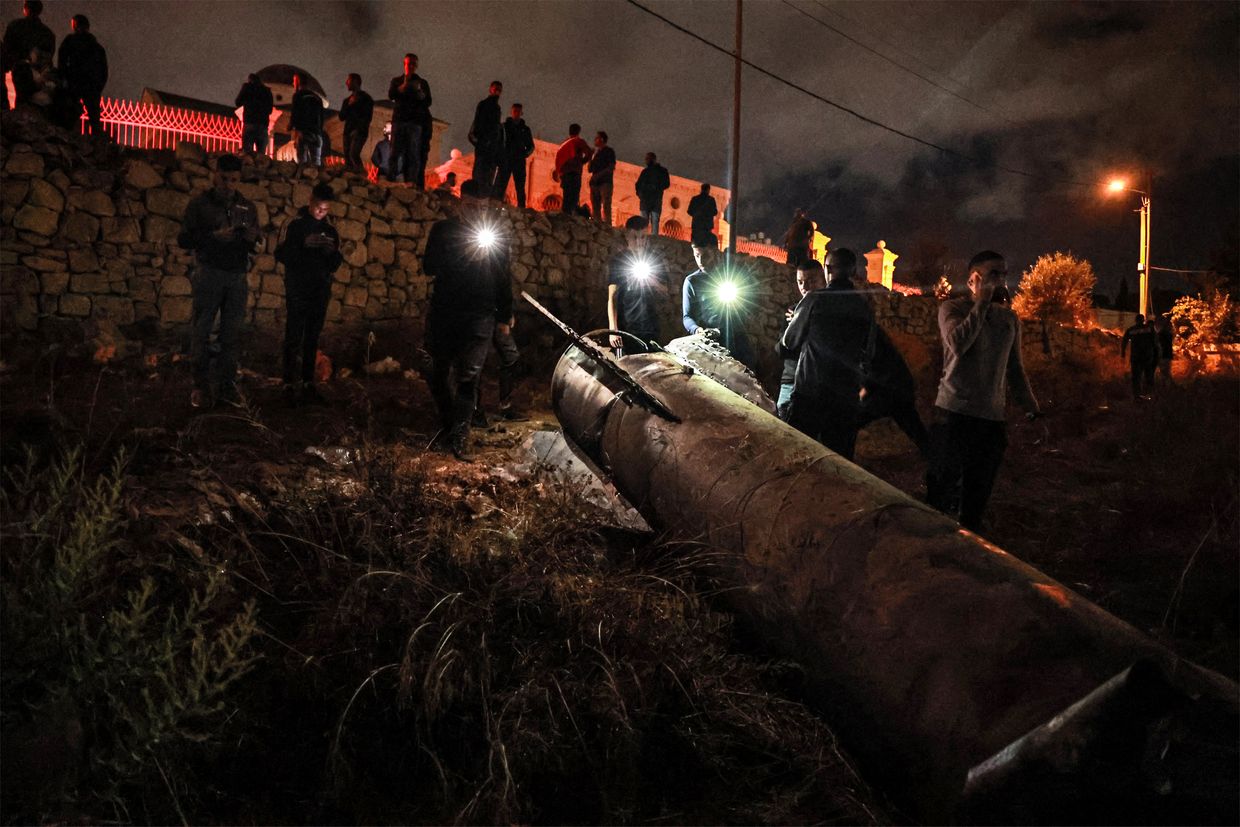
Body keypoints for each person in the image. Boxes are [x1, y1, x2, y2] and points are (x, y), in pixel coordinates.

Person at [926, 250, 1040, 532]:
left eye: (1003, 274)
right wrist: (982, 302)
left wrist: (1032, 409)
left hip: (990, 421)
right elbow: (958, 345)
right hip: (953, 415)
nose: (1001, 280)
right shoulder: (952, 309)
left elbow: (1015, 368)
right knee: (939, 493)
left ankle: (967, 557)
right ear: (974, 278)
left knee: (976, 499)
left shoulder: (1009, 320)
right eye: (993, 274)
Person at [422, 179, 514, 460]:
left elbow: (503, 278)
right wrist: (461, 256)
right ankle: (450, 423)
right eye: (472, 206)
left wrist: (506, 314)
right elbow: (429, 267)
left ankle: (459, 437)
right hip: (445, 310)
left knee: (468, 376)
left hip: (480, 314)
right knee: (436, 371)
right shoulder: (443, 231)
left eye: (483, 208)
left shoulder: (494, 237)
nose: (478, 212)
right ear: (461, 203)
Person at [177, 154, 260, 408]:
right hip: (210, 273)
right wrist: (213, 237)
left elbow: (255, 239)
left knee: (231, 333)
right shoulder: (199, 205)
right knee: (203, 330)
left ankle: (226, 387)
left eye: (234, 180)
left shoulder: (247, 207)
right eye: (225, 178)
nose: (229, 184)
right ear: (216, 174)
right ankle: (200, 387)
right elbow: (184, 239)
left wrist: (250, 237)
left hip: (236, 275)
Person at [780, 248, 874, 460]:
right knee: (839, 462)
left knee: (798, 457)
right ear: (855, 270)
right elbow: (868, 354)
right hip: (845, 399)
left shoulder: (814, 300)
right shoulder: (864, 308)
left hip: (810, 394)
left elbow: (789, 340)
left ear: (827, 269)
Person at [275, 183, 343, 406]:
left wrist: (330, 252)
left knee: (312, 336)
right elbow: (281, 253)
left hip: (320, 288)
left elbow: (335, 263)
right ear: (310, 201)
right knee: (294, 334)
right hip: (298, 287)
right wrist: (303, 245)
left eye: (325, 210)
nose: (320, 213)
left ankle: (307, 382)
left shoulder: (331, 230)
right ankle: (287, 383)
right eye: (317, 208)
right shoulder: (294, 224)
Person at [858, 327, 930, 457]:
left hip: (890, 389)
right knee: (913, 426)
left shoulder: (866, 334)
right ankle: (935, 458)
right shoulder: (871, 331)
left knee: (850, 420)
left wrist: (864, 388)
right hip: (898, 386)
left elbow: (875, 366)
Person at [682, 242, 754, 368]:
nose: (701, 261)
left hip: (736, 339)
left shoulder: (729, 276)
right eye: (697, 256)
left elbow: (747, 306)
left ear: (715, 252)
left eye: (705, 255)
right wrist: (697, 330)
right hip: (710, 342)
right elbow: (687, 316)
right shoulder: (692, 281)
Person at [775, 259, 827, 419]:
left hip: (818, 387)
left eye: (811, 281)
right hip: (790, 382)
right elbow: (781, 349)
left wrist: (802, 325)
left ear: (824, 280)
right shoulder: (793, 311)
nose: (804, 287)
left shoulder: (831, 312)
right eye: (800, 282)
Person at [607, 216, 660, 354]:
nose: (639, 242)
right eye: (635, 237)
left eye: (642, 237)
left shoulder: (654, 259)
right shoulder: (619, 261)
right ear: (627, 237)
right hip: (627, 329)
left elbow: (666, 290)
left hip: (650, 329)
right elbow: (612, 297)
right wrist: (613, 330)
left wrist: (652, 281)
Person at [57, 14, 107, 137]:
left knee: (69, 113)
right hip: (91, 86)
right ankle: (97, 141)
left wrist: (64, 79)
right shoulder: (97, 48)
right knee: (94, 117)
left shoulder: (70, 41)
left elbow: (61, 61)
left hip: (74, 83)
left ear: (75, 25)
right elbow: (104, 71)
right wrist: (98, 86)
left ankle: (67, 137)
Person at [2, 0, 55, 113]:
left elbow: (7, 48)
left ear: (25, 8)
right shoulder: (47, 33)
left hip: (20, 69)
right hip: (40, 73)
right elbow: (49, 55)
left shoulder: (15, 26)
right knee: (36, 102)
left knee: (21, 100)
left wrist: (7, 65)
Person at [387, 53, 431, 187]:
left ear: (416, 66)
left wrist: (419, 93)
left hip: (415, 122)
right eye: (408, 63)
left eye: (413, 64)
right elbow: (391, 95)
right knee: (395, 151)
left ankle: (411, 181)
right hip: (400, 120)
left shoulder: (422, 83)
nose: (410, 66)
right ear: (404, 64)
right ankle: (391, 179)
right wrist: (403, 86)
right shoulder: (396, 80)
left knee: (413, 153)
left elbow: (428, 101)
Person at [468, 80, 504, 197]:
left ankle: (483, 198)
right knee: (480, 173)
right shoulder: (484, 104)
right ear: (490, 89)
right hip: (484, 145)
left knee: (488, 176)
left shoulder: (497, 108)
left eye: (499, 89)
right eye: (495, 88)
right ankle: (477, 197)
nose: (497, 91)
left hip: (491, 148)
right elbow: (478, 123)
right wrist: (482, 142)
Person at [495, 102, 534, 208]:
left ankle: (521, 209)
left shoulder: (525, 129)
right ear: (511, 112)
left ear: (521, 113)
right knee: (500, 185)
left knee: (520, 187)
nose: (516, 113)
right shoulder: (504, 127)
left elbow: (531, 146)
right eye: (515, 111)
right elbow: (498, 142)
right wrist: (500, 156)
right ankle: (495, 206)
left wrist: (523, 155)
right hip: (505, 160)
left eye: (518, 111)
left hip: (519, 161)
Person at [553, 123, 592, 215]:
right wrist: (582, 161)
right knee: (574, 196)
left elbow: (559, 160)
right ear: (578, 132)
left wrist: (560, 172)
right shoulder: (578, 141)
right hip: (575, 172)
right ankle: (572, 218)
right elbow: (589, 153)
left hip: (565, 174)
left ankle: (565, 216)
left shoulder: (564, 144)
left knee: (566, 196)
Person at [338, 73, 373, 172]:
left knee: (353, 154)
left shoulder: (366, 99)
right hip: (347, 132)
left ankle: (362, 176)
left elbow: (367, 117)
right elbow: (341, 117)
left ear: (355, 82)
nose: (346, 83)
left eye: (348, 80)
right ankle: (351, 178)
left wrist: (358, 129)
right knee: (348, 158)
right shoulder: (347, 101)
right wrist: (349, 105)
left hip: (359, 132)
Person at [1121, 314, 1160, 400]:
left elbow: (1124, 341)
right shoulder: (1149, 329)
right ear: (1143, 320)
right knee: (1148, 375)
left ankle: (1137, 395)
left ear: (1135, 320)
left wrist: (1123, 352)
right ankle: (1149, 394)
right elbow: (1155, 342)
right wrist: (1156, 354)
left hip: (1135, 357)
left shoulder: (1131, 330)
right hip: (1147, 356)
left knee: (1136, 376)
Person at [289, 73, 323, 168]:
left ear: (298, 81)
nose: (293, 83)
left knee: (302, 161)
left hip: (303, 132)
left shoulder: (298, 95)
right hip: (317, 133)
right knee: (316, 162)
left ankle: (303, 180)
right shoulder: (317, 97)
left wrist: (291, 126)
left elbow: (295, 113)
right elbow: (322, 117)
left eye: (294, 81)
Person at [235, 73, 273, 155]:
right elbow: (270, 110)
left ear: (250, 80)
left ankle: (249, 166)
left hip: (250, 122)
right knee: (261, 154)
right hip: (263, 124)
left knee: (248, 153)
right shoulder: (267, 90)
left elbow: (237, 102)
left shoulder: (247, 87)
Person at [635, 152, 670, 235]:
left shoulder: (662, 171)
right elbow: (638, 185)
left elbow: (666, 183)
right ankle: (643, 238)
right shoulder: (645, 171)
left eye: (648, 158)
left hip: (655, 199)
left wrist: (656, 187)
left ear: (653, 159)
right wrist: (640, 194)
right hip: (646, 199)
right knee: (645, 221)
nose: (646, 160)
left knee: (654, 220)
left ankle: (653, 239)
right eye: (646, 158)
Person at [587, 131, 616, 224]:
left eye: (596, 138)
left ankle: (607, 226)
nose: (594, 140)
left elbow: (611, 167)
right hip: (595, 184)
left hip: (605, 183)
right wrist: (590, 157)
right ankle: (597, 226)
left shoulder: (609, 151)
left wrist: (598, 176)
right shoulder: (596, 154)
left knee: (606, 205)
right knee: (595, 207)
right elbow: (589, 169)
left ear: (602, 139)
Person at [688, 183, 718, 248]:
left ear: (701, 189)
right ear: (708, 190)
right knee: (705, 246)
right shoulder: (711, 200)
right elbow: (715, 212)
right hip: (706, 227)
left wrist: (697, 214)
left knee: (695, 246)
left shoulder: (695, 199)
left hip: (696, 226)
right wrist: (707, 214)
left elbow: (689, 211)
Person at [1153, 313, 1174, 385]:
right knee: (1166, 371)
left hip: (1162, 354)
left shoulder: (1160, 334)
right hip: (1167, 354)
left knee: (1164, 372)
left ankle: (1167, 385)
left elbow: (1157, 344)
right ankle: (1168, 385)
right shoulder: (1169, 334)